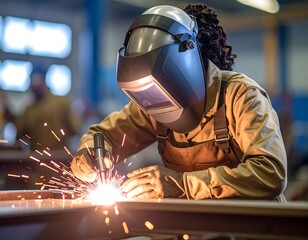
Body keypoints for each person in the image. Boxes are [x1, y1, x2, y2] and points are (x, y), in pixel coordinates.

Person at [71, 3, 287, 201]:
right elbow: (104, 135)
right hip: (197, 226)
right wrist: (88, 155)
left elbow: (270, 173)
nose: (156, 101)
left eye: (161, 86)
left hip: (253, 226)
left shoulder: (241, 95)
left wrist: (184, 184)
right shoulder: (153, 103)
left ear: (187, 61)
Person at [16, 67, 81, 151]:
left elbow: (75, 129)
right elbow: (19, 135)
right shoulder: (29, 110)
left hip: (59, 158)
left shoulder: (61, 104)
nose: (33, 87)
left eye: (35, 83)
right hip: (36, 158)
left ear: (43, 82)